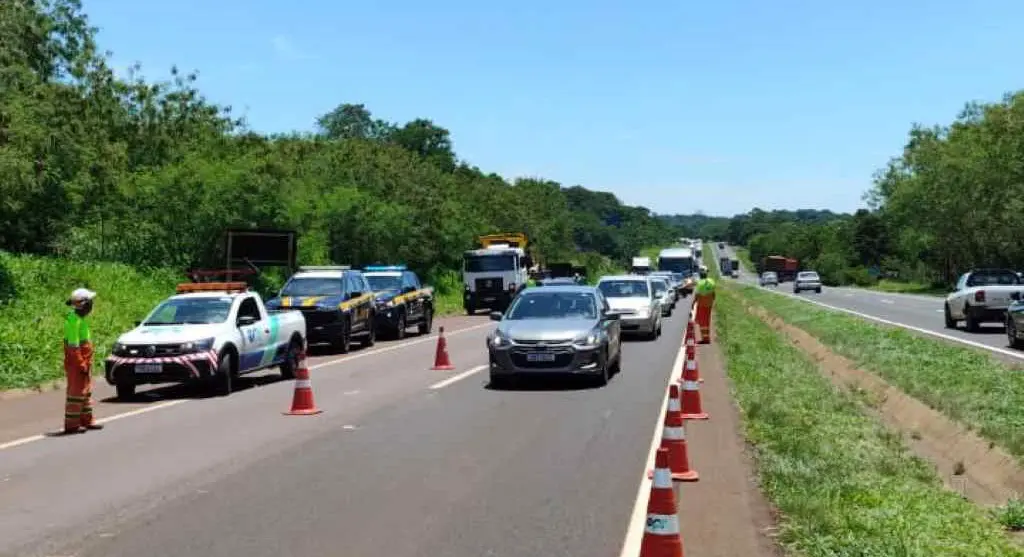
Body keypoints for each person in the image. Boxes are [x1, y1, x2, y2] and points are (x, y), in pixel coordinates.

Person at [61, 288, 103, 434]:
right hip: (77, 362)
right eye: (90, 302)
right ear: (83, 304)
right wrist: (81, 363)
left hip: (84, 360)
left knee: (85, 391)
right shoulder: (73, 321)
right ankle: (72, 424)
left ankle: (87, 420)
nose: (92, 305)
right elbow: (73, 347)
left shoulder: (79, 320)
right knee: (76, 393)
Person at [693, 266, 716, 344]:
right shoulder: (711, 282)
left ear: (700, 274)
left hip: (701, 305)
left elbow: (697, 295)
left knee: (702, 322)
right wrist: (712, 301)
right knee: (706, 321)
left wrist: (693, 303)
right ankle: (706, 338)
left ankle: (705, 339)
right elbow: (713, 294)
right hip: (709, 305)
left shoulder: (699, 283)